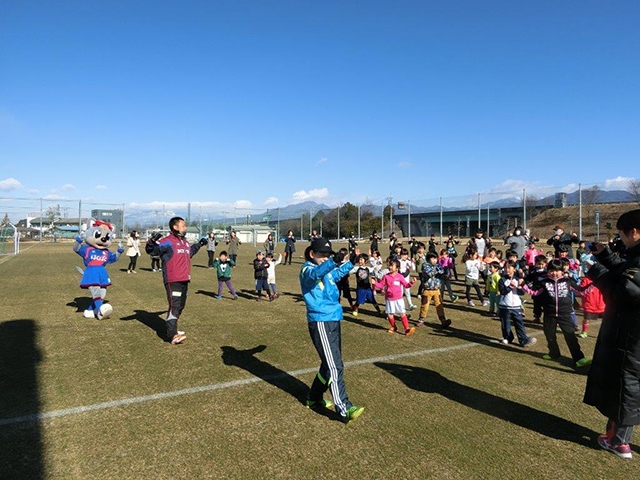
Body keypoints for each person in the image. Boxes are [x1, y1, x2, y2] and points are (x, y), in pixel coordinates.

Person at [583, 209, 640, 459]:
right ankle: (616, 436)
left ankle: (619, 442)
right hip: (630, 332)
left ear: (634, 232)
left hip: (631, 335)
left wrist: (596, 272)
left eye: (621, 235)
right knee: (625, 383)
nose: (621, 240)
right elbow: (629, 272)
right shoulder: (635, 256)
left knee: (626, 385)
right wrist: (604, 255)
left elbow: (625, 291)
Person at [300, 237, 365, 424]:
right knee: (335, 365)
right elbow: (317, 274)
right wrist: (333, 261)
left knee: (328, 363)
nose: (325, 257)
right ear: (312, 254)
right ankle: (343, 407)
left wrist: (351, 261)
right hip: (321, 320)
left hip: (333, 318)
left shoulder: (326, 268)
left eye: (328, 254)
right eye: (322, 254)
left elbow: (335, 274)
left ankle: (314, 398)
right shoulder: (307, 269)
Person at [145, 216, 206, 344]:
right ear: (175, 227)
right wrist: (151, 241)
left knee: (181, 305)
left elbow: (190, 253)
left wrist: (200, 244)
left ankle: (173, 328)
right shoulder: (167, 241)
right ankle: (172, 335)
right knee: (175, 305)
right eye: (183, 225)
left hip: (185, 279)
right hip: (173, 280)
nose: (185, 227)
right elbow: (151, 250)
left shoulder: (185, 242)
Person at [524, 259, 589, 366]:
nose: (554, 273)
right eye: (551, 270)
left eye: (557, 271)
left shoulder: (568, 281)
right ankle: (554, 353)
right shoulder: (544, 283)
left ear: (562, 271)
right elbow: (535, 292)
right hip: (549, 314)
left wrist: (594, 285)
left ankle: (579, 358)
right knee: (549, 335)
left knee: (570, 336)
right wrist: (524, 286)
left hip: (565, 314)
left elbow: (581, 291)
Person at [372, 257, 416, 336]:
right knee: (390, 314)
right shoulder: (386, 276)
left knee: (402, 313)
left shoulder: (400, 277)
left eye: (392, 266)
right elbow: (381, 285)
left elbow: (406, 285)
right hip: (389, 299)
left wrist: (411, 283)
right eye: (389, 265)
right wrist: (375, 283)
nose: (390, 267)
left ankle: (407, 329)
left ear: (397, 268)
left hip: (399, 299)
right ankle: (393, 327)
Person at [497, 261, 537, 348]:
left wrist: (520, 287)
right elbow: (503, 292)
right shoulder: (502, 280)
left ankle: (523, 340)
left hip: (516, 306)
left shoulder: (518, 279)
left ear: (514, 269)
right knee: (505, 323)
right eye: (506, 268)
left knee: (519, 323)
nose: (507, 270)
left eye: (509, 268)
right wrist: (510, 287)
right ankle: (507, 337)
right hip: (505, 306)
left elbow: (522, 293)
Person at [417, 252, 452, 328]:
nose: (434, 260)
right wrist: (438, 270)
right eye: (432, 258)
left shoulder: (438, 266)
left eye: (435, 258)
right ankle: (421, 319)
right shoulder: (425, 265)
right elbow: (429, 274)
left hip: (436, 289)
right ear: (428, 259)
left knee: (439, 305)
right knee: (425, 305)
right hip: (427, 289)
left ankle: (443, 320)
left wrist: (446, 270)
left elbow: (443, 275)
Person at [349, 253, 382, 317]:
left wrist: (374, 259)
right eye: (359, 259)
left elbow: (374, 268)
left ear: (366, 261)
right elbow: (349, 270)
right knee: (359, 300)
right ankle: (355, 309)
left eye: (361, 260)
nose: (360, 261)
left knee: (373, 300)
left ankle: (379, 311)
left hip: (368, 288)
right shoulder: (356, 268)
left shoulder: (368, 269)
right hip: (360, 288)